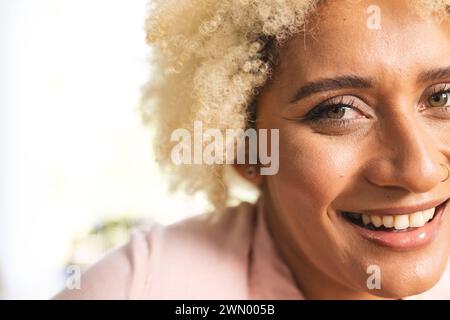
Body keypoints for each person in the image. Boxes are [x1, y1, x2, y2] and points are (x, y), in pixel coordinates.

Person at [55, 0, 450, 299]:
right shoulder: (136, 288)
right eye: (338, 110)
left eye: (442, 98)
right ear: (247, 148)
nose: (421, 170)